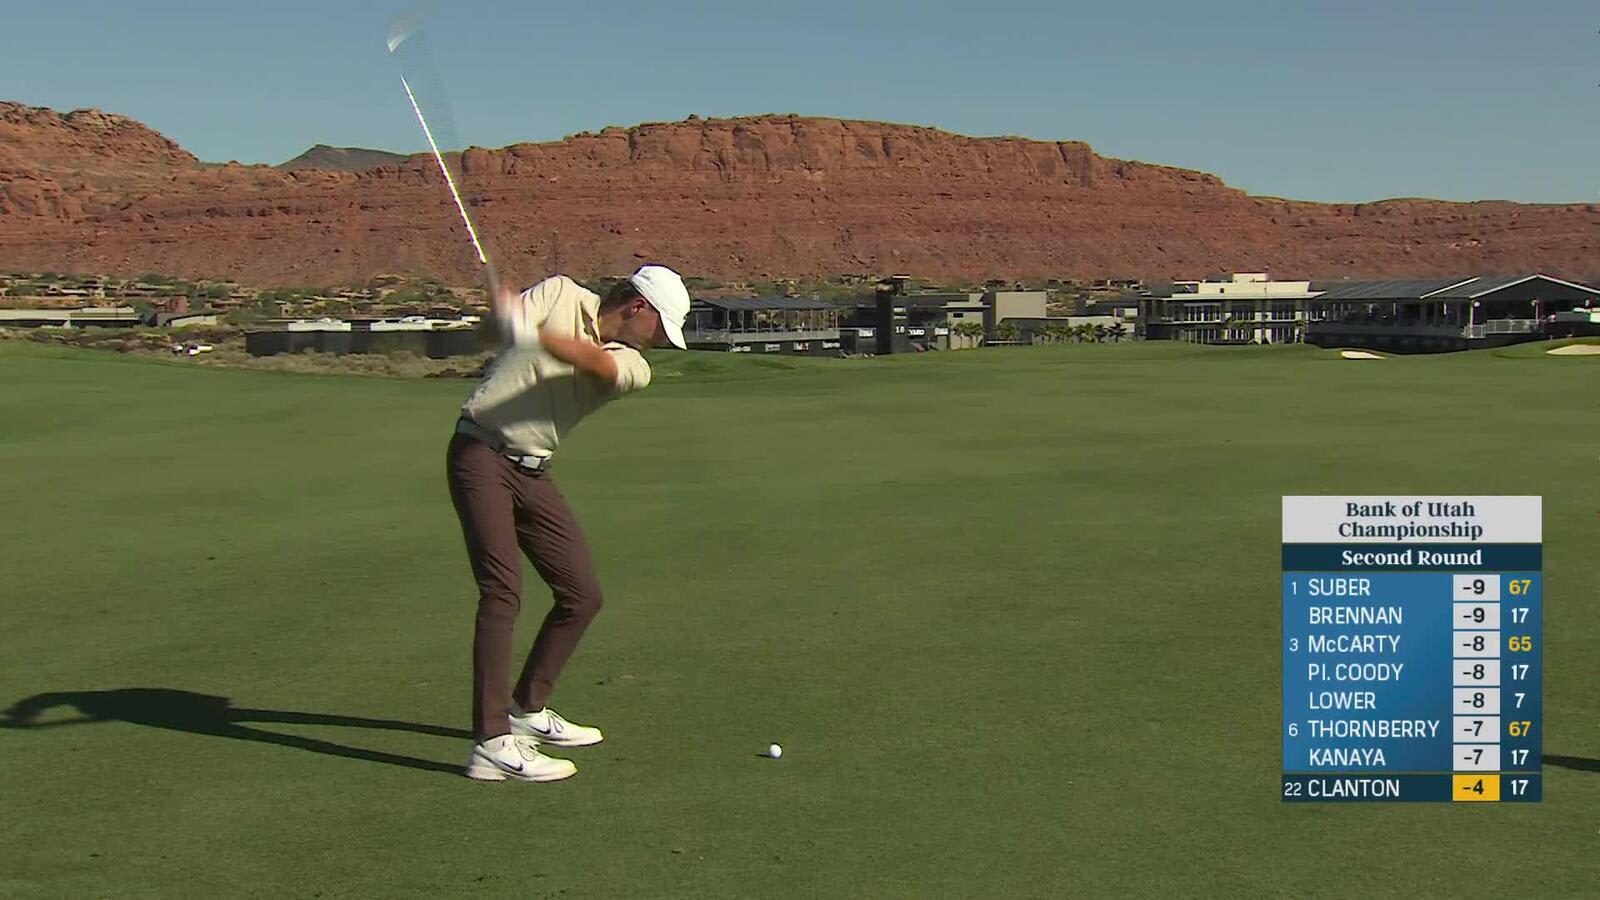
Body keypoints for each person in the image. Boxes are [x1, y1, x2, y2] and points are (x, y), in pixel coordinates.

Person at [447, 265, 689, 782]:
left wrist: (530, 332)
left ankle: (526, 710)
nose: (663, 342)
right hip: (480, 453)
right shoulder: (559, 293)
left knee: (582, 594)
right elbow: (495, 338)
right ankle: (491, 743)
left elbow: (593, 364)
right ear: (637, 308)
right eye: (662, 329)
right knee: (502, 592)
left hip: (533, 470)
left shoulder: (633, 365)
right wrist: (501, 316)